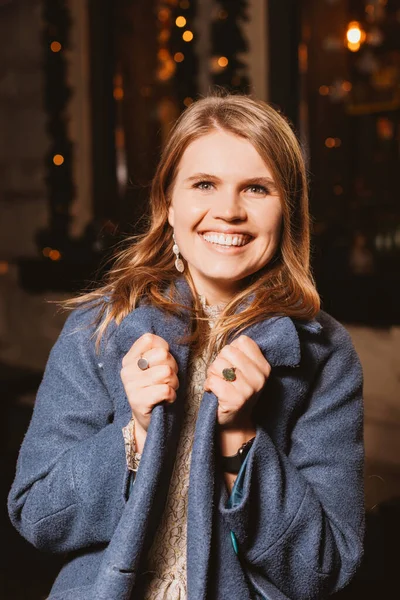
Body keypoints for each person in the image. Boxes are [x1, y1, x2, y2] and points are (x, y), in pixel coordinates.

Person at [8, 92, 365, 600]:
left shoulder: (325, 353)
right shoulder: (102, 326)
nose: (229, 211)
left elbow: (324, 567)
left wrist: (241, 441)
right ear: (168, 204)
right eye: (204, 185)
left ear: (288, 210)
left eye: (257, 189)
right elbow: (37, 515)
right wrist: (136, 433)